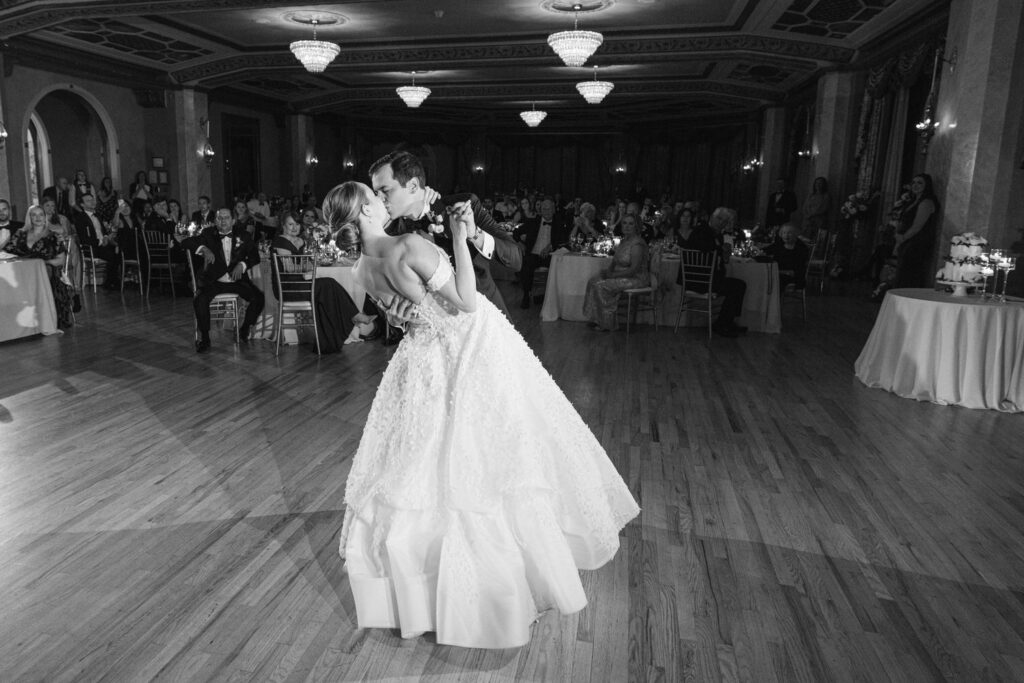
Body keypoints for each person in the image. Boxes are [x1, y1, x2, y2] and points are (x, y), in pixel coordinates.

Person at [323, 180, 639, 649]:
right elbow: (467, 302)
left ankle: (419, 594)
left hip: (419, 361)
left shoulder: (360, 268)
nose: (382, 200)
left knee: (420, 466)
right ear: (366, 211)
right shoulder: (409, 245)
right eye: (376, 196)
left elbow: (399, 318)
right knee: (487, 461)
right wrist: (455, 238)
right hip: (465, 349)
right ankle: (490, 592)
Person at [369, 150, 522, 315]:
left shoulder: (464, 205)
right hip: (433, 329)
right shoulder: (390, 233)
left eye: (386, 191)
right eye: (376, 193)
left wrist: (474, 234)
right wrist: (395, 319)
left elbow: (516, 260)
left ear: (413, 186)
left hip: (483, 316)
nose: (379, 199)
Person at [272, 213, 360, 352]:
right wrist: (309, 265)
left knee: (329, 286)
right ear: (283, 226)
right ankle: (352, 316)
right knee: (327, 285)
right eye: (290, 224)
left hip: (301, 284)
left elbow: (307, 259)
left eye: (297, 224)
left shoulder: (300, 241)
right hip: (288, 288)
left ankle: (331, 338)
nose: (294, 227)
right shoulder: (280, 241)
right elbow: (289, 268)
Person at [184, 208, 264, 353]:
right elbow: (187, 242)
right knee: (200, 300)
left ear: (233, 220)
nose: (223, 221)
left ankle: (244, 329)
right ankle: (205, 338)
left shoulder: (243, 235)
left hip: (237, 281)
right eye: (219, 218)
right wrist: (204, 249)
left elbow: (255, 256)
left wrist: (243, 264)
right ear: (215, 221)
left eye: (226, 218)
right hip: (214, 281)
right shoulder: (208, 234)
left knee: (258, 298)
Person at [677, 206, 748, 337]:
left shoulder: (717, 235)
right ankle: (722, 324)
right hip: (698, 280)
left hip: (709, 279)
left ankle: (726, 322)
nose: (722, 223)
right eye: (719, 219)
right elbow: (705, 248)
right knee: (737, 286)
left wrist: (722, 251)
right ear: (712, 218)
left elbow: (720, 257)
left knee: (739, 285)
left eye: (725, 221)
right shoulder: (701, 231)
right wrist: (721, 249)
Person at [6, 205, 75, 327]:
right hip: (22, 274)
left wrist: (42, 263)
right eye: (34, 215)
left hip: (46, 273)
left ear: (45, 217)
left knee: (44, 273)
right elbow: (8, 253)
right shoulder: (20, 233)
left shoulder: (53, 236)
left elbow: (61, 260)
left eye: (41, 214)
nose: (37, 218)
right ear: (29, 217)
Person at [581, 213, 649, 331]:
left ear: (636, 226)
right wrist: (607, 272)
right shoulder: (624, 241)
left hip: (636, 278)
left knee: (602, 286)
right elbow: (615, 260)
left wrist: (613, 276)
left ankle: (607, 324)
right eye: (625, 223)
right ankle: (596, 318)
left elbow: (634, 270)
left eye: (631, 224)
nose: (627, 226)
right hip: (622, 274)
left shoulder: (637, 244)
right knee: (593, 281)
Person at [515, 198, 570, 308]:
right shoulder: (532, 222)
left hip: (550, 256)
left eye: (549, 209)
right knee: (525, 265)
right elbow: (516, 232)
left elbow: (565, 240)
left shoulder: (559, 223)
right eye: (544, 209)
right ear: (541, 210)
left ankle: (548, 296)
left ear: (554, 210)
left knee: (560, 266)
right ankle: (526, 295)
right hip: (533, 254)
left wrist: (550, 247)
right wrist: (520, 244)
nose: (547, 212)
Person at [893, 173, 939, 289]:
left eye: (920, 183)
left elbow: (917, 226)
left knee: (909, 276)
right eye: (913, 182)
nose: (915, 185)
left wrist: (902, 239)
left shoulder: (927, 202)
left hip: (917, 243)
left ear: (926, 185)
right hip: (908, 241)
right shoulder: (912, 201)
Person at [73, 192, 121, 290]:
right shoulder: (80, 218)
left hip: (103, 244)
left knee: (120, 251)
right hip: (92, 247)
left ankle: (114, 280)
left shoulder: (97, 215)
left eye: (92, 199)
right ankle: (111, 282)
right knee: (111, 255)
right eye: (88, 201)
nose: (92, 202)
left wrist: (106, 237)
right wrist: (100, 242)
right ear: (82, 205)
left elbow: (103, 231)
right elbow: (84, 238)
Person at [765, 223, 809, 290]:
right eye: (784, 233)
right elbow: (764, 251)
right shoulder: (779, 245)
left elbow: (797, 271)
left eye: (789, 233)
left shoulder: (801, 248)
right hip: (777, 274)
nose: (786, 236)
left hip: (794, 278)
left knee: (773, 280)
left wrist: (779, 272)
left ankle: (775, 299)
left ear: (795, 234)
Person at [802, 176, 830, 240]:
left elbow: (823, 208)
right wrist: (807, 214)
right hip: (808, 221)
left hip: (818, 221)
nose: (818, 185)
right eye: (816, 183)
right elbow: (805, 206)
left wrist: (812, 214)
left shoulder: (826, 196)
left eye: (820, 183)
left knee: (816, 239)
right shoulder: (811, 195)